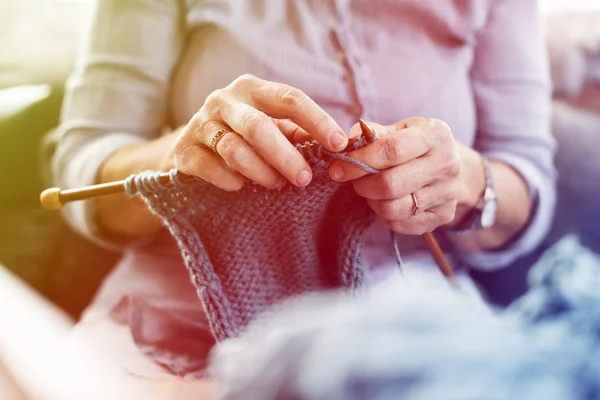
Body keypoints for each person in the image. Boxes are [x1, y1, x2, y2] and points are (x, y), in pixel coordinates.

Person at [50, 0, 555, 397]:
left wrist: (465, 180)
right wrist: (181, 159)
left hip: (413, 327)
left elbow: (528, 187)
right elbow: (81, 170)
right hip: (177, 326)